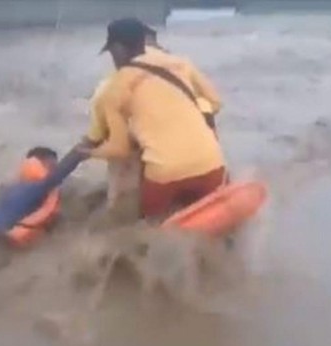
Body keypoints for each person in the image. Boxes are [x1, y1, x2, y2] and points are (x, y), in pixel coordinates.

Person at [79, 18, 227, 220]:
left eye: (111, 51)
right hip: (212, 165)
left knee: (147, 225)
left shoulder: (112, 88)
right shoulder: (180, 64)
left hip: (165, 175)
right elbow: (215, 103)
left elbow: (119, 149)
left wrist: (90, 152)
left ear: (118, 48)